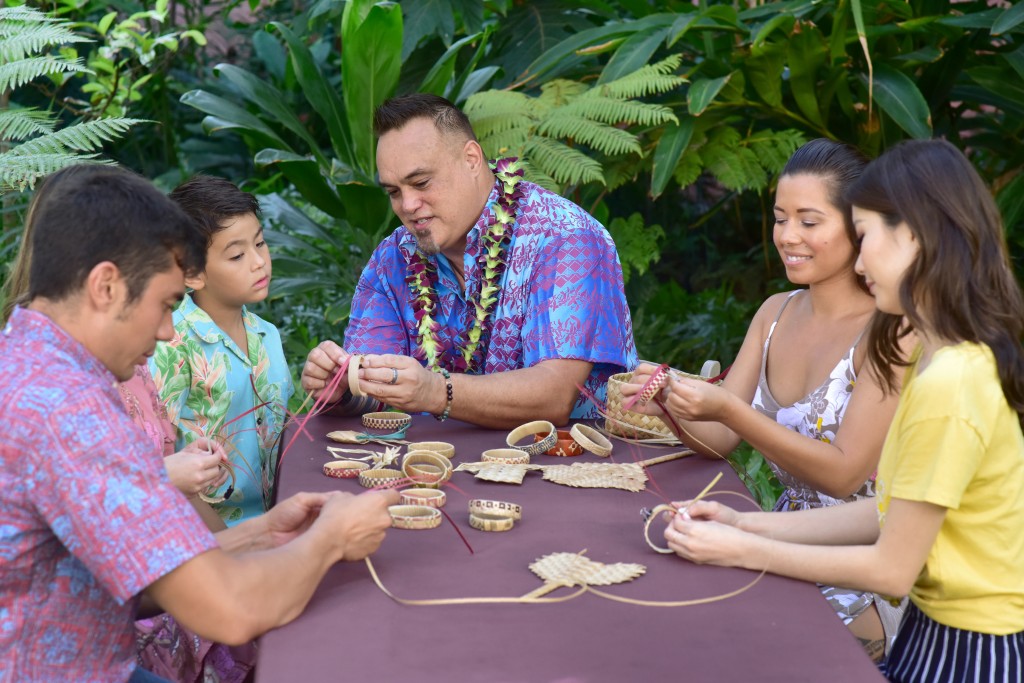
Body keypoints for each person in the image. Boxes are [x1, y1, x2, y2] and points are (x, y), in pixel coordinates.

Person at [0, 165, 397, 682]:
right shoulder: (67, 411)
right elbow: (228, 611)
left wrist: (259, 533)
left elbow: (131, 570)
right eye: (165, 305)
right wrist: (331, 539)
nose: (169, 331)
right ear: (105, 286)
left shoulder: (34, 360)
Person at [660, 140, 1024, 681]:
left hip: (973, 646)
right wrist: (746, 523)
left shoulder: (951, 379)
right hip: (938, 630)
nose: (858, 260)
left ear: (914, 239)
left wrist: (742, 548)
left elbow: (891, 569)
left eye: (866, 235)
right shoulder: (945, 361)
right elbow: (884, 509)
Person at [624, 139, 906, 660]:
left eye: (809, 221)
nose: (788, 236)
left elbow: (844, 475)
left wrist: (729, 407)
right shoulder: (775, 313)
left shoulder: (889, 333)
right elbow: (721, 440)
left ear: (857, 226)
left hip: (863, 572)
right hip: (778, 537)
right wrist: (669, 399)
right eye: (780, 218)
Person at [300, 93, 637, 429]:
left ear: (472, 159)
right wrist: (341, 388)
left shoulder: (565, 237)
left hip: (572, 467)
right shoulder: (393, 260)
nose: (408, 204)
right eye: (393, 192)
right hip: (431, 470)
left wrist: (436, 391)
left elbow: (556, 396)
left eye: (420, 182)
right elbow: (373, 393)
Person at [149, 176, 293, 525]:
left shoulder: (267, 335)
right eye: (237, 255)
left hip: (279, 515)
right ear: (193, 273)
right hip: (207, 535)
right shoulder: (170, 346)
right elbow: (157, 464)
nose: (259, 262)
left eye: (260, 243)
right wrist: (229, 547)